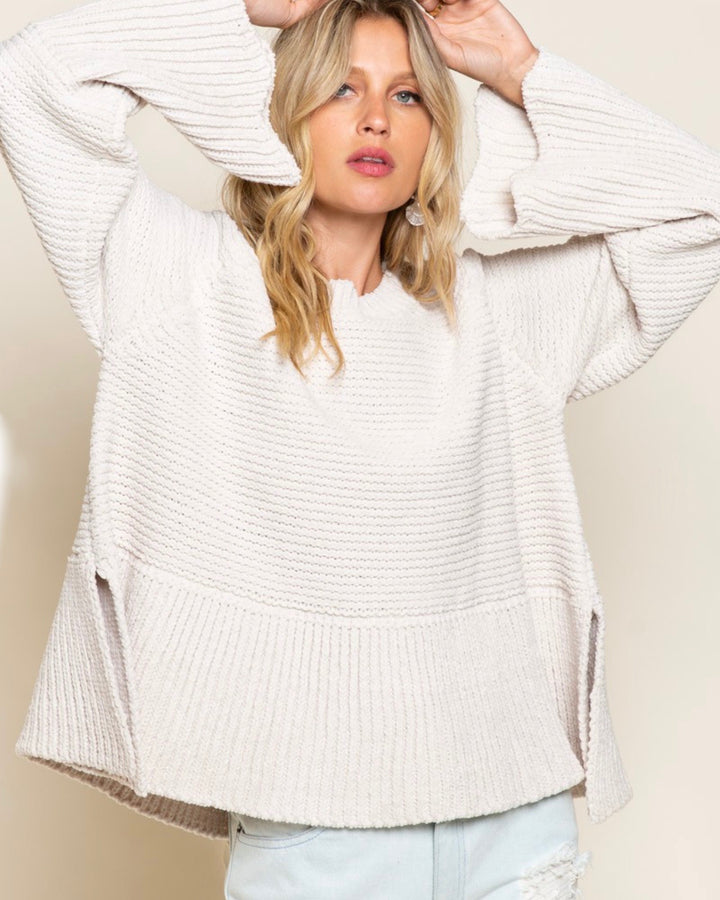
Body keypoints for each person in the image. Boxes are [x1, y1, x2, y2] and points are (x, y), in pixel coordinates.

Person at [1, 0, 719, 896]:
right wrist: (258, 7)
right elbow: (33, 75)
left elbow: (699, 210)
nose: (377, 118)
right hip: (317, 841)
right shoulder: (177, 281)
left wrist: (516, 68)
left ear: (435, 135)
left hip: (512, 827)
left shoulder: (495, 318)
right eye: (342, 87)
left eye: (409, 96)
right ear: (283, 109)